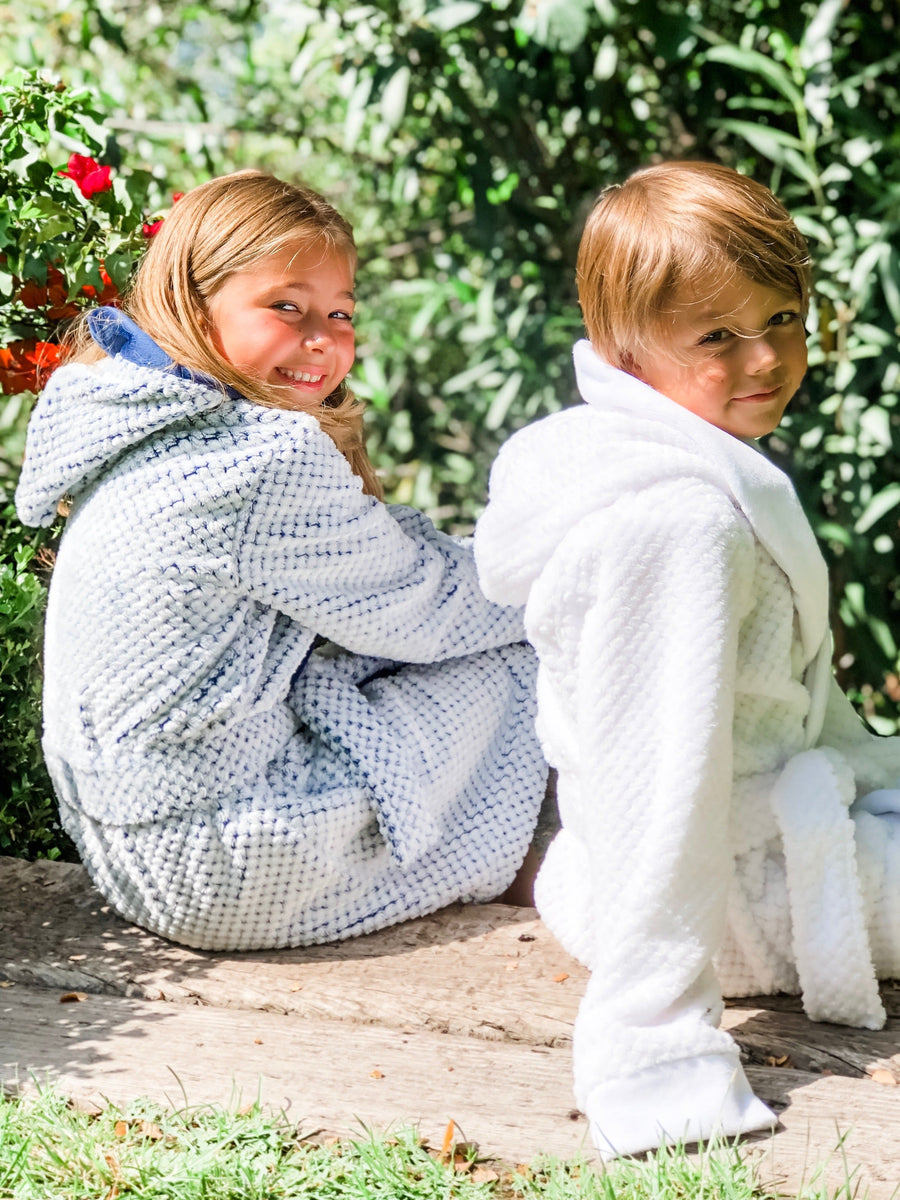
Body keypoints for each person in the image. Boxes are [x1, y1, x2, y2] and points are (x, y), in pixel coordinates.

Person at [474, 161, 900, 1159]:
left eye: (784, 318)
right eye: (718, 336)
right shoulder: (676, 523)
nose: (767, 358)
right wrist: (656, 1049)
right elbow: (657, 785)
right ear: (627, 353)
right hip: (737, 898)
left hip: (761, 851)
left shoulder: (682, 459)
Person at [15, 170, 548, 952]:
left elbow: (369, 584)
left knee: (406, 665)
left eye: (340, 313)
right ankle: (584, 878)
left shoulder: (126, 414)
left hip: (124, 855)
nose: (323, 339)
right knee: (529, 659)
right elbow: (428, 610)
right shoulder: (261, 457)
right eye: (286, 307)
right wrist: (571, 574)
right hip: (224, 865)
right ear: (195, 306)